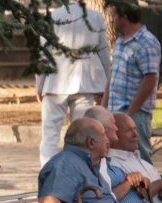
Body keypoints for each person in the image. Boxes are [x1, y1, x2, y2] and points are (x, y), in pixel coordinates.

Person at [36, 1, 110, 166]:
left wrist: (39, 85)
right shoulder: (95, 17)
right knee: (82, 136)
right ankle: (80, 175)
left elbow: (43, 54)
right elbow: (103, 52)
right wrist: (105, 83)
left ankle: (49, 175)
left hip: (55, 82)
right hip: (85, 83)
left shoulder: (51, 17)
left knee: (50, 135)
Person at [102, 0, 161, 162]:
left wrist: (131, 112)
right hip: (115, 113)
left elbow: (150, 79)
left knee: (140, 158)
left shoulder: (147, 42)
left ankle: (148, 187)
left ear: (124, 17)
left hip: (135, 115)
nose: (112, 19)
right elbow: (112, 76)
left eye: (114, 15)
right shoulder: (121, 41)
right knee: (117, 159)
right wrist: (103, 108)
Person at [108, 112, 162, 203]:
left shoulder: (138, 159)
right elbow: (140, 196)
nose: (135, 135)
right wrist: (160, 183)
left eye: (135, 129)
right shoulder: (112, 164)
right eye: (129, 130)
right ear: (113, 134)